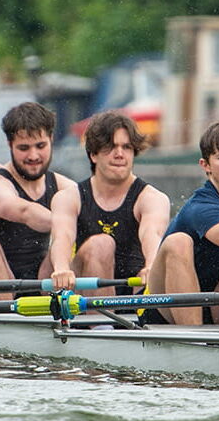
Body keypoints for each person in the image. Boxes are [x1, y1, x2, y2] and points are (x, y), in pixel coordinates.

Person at [145, 119, 219, 325]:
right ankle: (194, 340)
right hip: (163, 307)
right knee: (179, 242)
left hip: (217, 304)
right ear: (206, 166)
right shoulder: (201, 206)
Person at [0, 102, 76, 300]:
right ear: (9, 145)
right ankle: (4, 316)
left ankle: (101, 323)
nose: (33, 156)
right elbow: (25, 212)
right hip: (0, 288)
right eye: (23, 148)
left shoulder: (64, 186)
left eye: (40, 146)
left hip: (44, 283)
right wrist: (70, 221)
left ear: (51, 140)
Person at [49, 111, 170, 295]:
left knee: (154, 267)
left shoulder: (153, 199)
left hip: (133, 290)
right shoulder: (68, 198)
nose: (119, 154)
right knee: (101, 244)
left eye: (126, 147)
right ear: (93, 155)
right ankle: (100, 324)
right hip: (83, 294)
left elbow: (153, 234)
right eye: (111, 147)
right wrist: (61, 269)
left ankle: (137, 317)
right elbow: (62, 237)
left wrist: (151, 266)